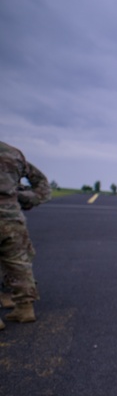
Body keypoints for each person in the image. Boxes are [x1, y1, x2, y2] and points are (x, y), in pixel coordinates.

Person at [0, 141, 51, 329]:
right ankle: (25, 308)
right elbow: (41, 183)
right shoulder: (13, 153)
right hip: (12, 218)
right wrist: (28, 199)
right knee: (19, 264)